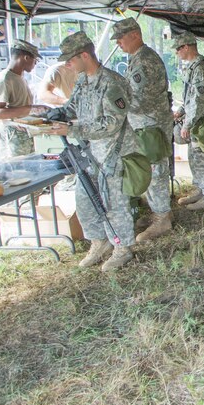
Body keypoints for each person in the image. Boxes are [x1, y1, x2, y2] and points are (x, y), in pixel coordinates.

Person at [43, 32, 139, 271]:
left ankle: (122, 248)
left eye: (71, 59)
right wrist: (62, 114)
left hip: (112, 153)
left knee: (114, 203)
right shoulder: (84, 80)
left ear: (85, 55)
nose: (68, 65)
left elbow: (111, 124)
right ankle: (99, 241)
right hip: (90, 152)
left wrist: (72, 129)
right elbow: (74, 104)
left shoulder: (112, 83)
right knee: (85, 199)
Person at [111, 17, 174, 242]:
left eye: (121, 38)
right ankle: (159, 211)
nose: (118, 43)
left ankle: (162, 218)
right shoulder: (137, 58)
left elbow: (138, 101)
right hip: (146, 124)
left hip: (151, 125)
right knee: (151, 169)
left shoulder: (144, 60)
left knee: (156, 172)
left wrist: (115, 104)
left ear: (135, 35)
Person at [171, 32, 204, 209]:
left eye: (178, 49)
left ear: (186, 47)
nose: (177, 53)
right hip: (197, 120)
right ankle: (201, 189)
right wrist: (181, 111)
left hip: (202, 121)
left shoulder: (202, 67)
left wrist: (188, 122)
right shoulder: (193, 67)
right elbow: (191, 97)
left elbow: (200, 100)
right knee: (195, 157)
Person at [0, 39, 47, 159]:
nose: (35, 64)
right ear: (25, 58)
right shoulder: (4, 79)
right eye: (35, 60)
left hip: (22, 133)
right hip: (9, 136)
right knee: (14, 174)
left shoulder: (19, 77)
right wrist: (31, 109)